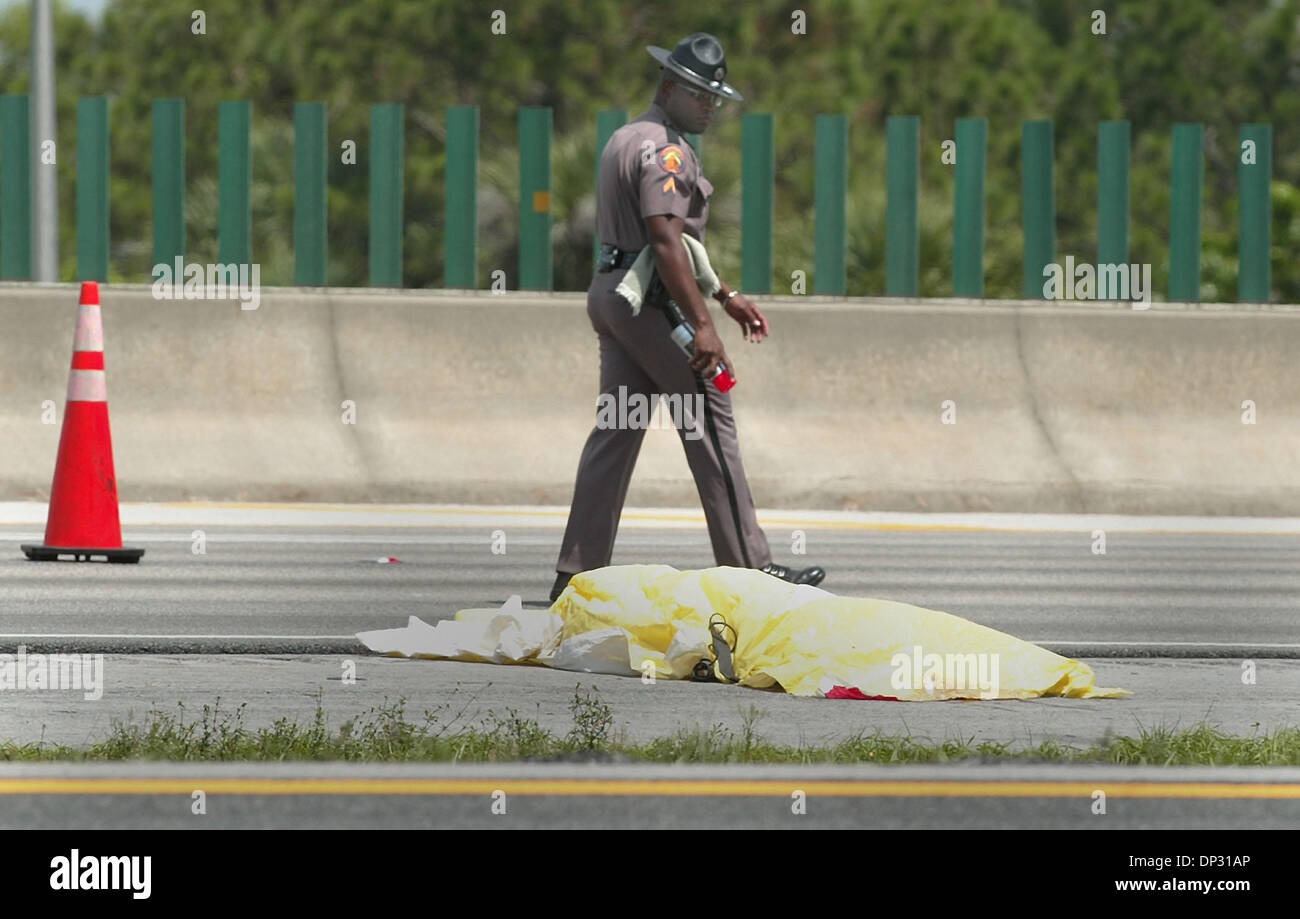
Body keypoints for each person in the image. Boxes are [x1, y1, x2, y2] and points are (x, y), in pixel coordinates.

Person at [550, 32, 826, 603]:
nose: (709, 106)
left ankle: (573, 577)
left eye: (715, 97)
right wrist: (704, 325)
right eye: (700, 94)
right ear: (669, 86)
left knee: (617, 428)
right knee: (710, 417)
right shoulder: (670, 151)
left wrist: (725, 296)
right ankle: (751, 570)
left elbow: (665, 246)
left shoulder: (625, 137)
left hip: (614, 296)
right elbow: (666, 238)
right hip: (654, 306)